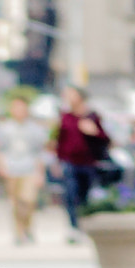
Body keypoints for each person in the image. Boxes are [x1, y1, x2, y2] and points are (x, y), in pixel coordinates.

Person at [0, 94, 48, 244]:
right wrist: (1, 165)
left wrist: (40, 173)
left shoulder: (35, 129)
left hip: (29, 169)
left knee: (28, 201)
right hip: (11, 168)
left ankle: (28, 226)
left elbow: (40, 152)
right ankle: (19, 232)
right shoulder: (5, 128)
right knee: (15, 203)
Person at [53, 85, 107, 230]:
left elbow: (105, 139)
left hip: (88, 162)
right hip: (70, 162)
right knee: (70, 194)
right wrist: (57, 161)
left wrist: (94, 132)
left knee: (86, 194)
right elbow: (60, 141)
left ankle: (85, 223)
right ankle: (74, 226)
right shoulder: (65, 117)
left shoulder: (92, 117)